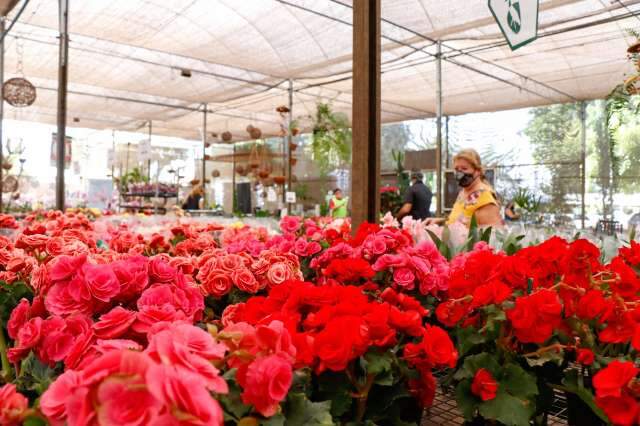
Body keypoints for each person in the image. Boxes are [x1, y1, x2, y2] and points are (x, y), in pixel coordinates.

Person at [427, 149, 503, 228]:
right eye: (456, 169)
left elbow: (493, 232)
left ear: (478, 171)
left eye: (464, 168)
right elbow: (461, 218)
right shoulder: (463, 193)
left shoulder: (484, 197)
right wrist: (441, 221)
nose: (459, 173)